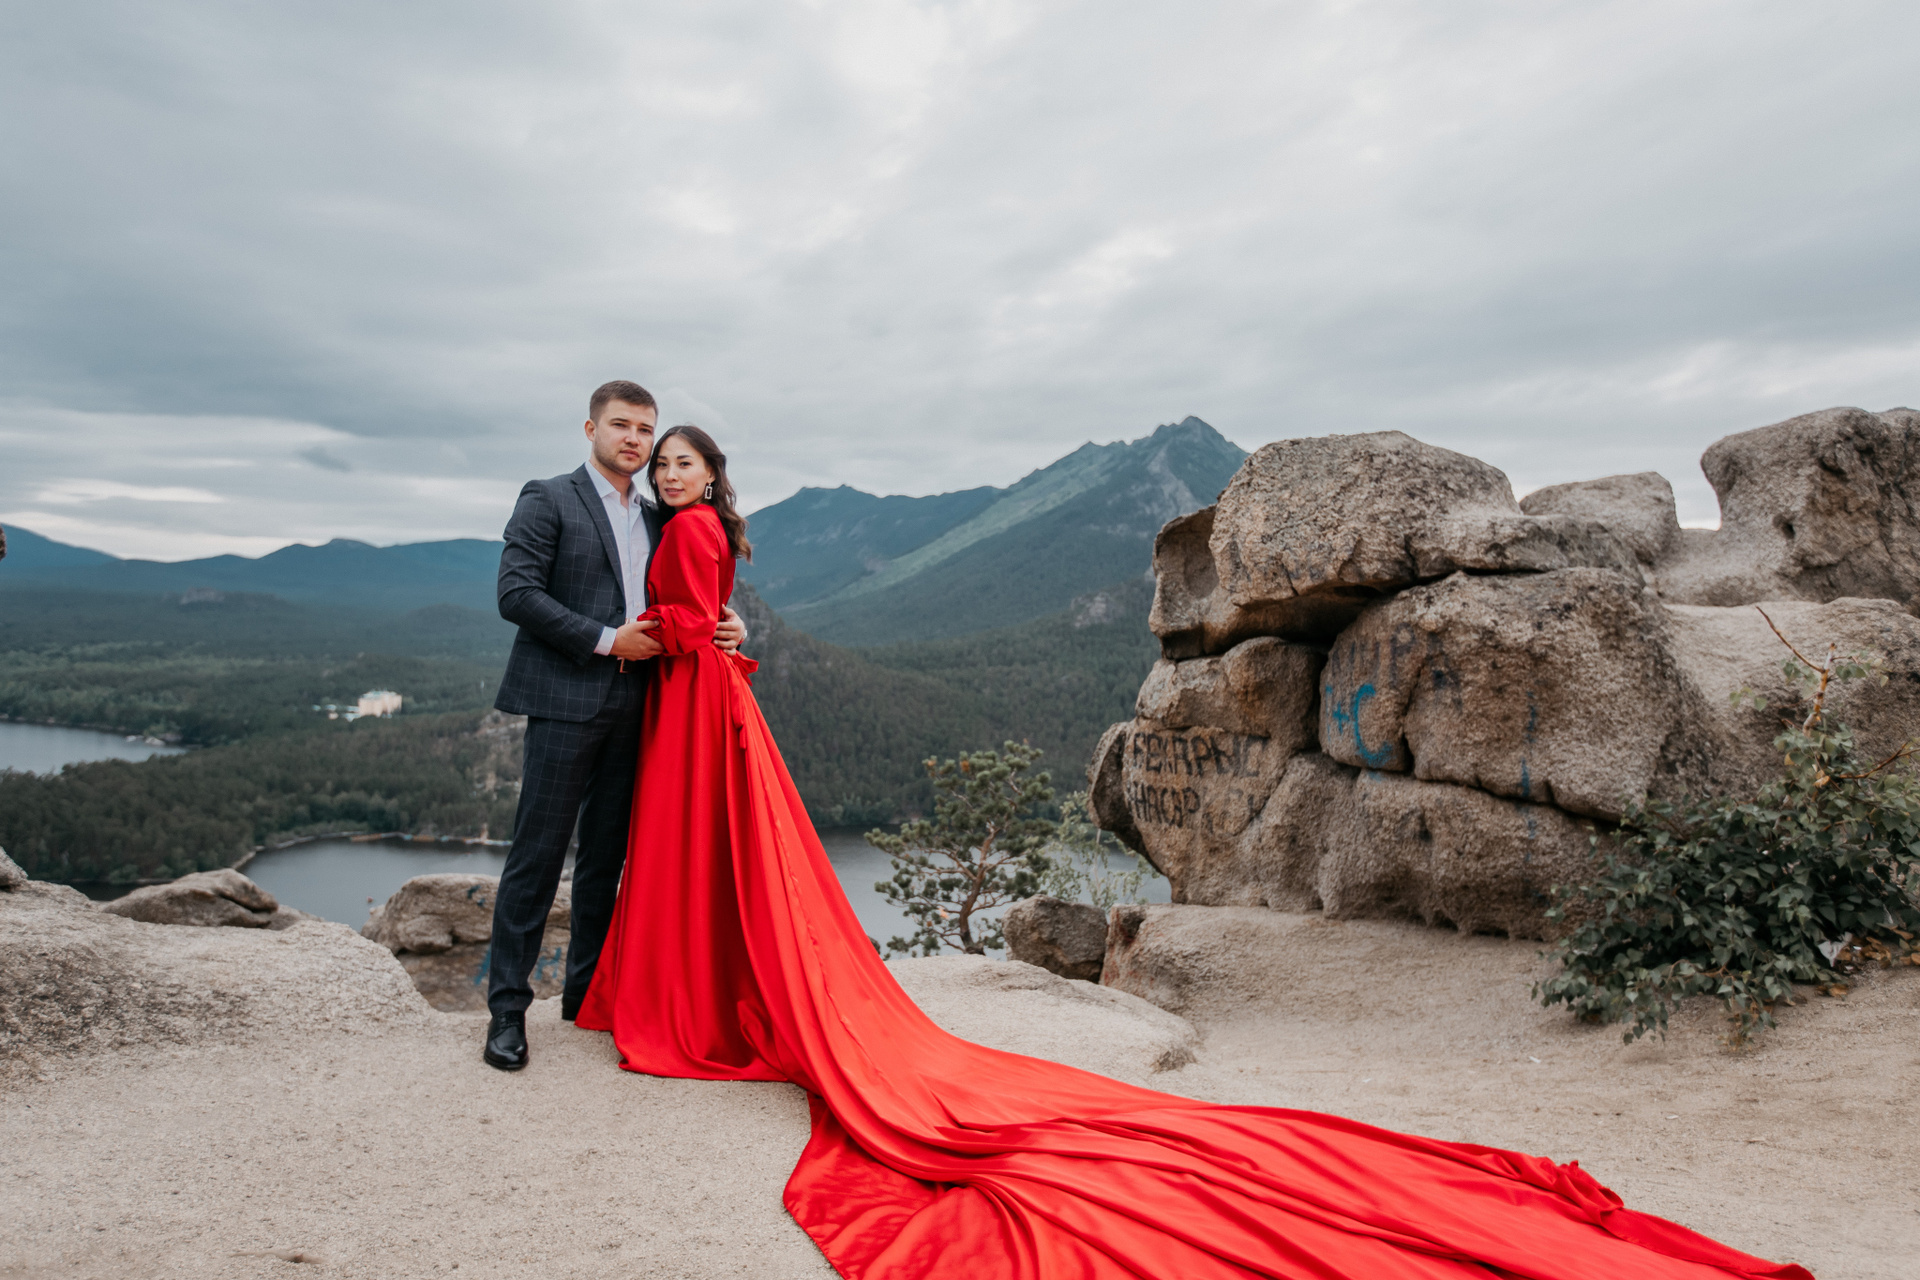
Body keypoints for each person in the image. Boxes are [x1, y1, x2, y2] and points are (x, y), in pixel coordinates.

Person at [579, 425, 1813, 1280]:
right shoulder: (696, 526)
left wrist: (672, 634)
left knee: (698, 849)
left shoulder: (686, 530)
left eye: (683, 457)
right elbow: (704, 612)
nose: (669, 469)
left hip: (692, 688)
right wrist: (707, 631)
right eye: (659, 457)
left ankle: (683, 990)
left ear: (708, 470)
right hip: (708, 687)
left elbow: (685, 616)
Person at [481, 381, 745, 1072]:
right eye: (621, 425)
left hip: (642, 706)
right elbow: (516, 593)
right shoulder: (548, 497)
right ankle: (507, 1012)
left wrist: (731, 621)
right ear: (591, 428)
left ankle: (585, 998)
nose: (634, 439)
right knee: (538, 855)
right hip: (565, 699)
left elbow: (693, 587)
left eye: (644, 430)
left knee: (606, 858)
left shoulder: (662, 514)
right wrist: (606, 640)